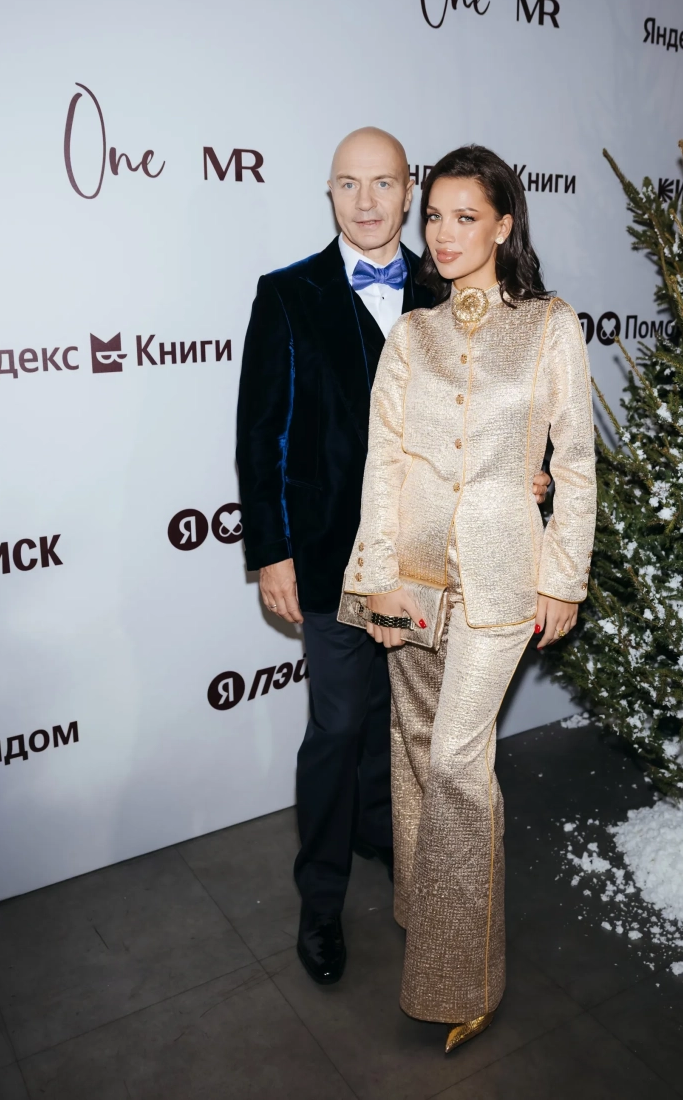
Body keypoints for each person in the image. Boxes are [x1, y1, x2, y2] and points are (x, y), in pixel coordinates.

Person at [237, 126, 554, 986]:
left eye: (382, 183)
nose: (367, 200)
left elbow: (514, 404)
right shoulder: (286, 294)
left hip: (440, 568)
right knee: (339, 726)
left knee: (411, 729)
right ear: (330, 193)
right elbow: (260, 435)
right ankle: (320, 898)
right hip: (331, 559)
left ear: (409, 192)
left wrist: (529, 475)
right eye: (348, 183)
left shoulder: (450, 278)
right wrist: (271, 552)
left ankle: (388, 841)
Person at [343, 144, 596, 1051]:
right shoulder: (412, 335)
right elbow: (385, 463)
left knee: (455, 760)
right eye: (435, 218)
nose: (443, 235)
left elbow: (574, 461)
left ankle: (466, 977)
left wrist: (562, 575)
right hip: (411, 574)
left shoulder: (551, 326)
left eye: (465, 217)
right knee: (414, 748)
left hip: (501, 578)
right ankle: (428, 911)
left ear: (503, 224)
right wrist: (379, 578)